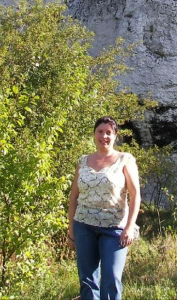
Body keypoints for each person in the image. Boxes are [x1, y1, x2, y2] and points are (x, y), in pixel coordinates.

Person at [67, 116, 141, 300]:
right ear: (94, 134)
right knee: (87, 280)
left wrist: (129, 227)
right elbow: (74, 197)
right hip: (83, 226)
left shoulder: (125, 159)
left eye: (109, 132)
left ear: (115, 135)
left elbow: (135, 194)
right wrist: (71, 230)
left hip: (114, 228)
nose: (104, 136)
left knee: (111, 278)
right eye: (100, 132)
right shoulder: (83, 161)